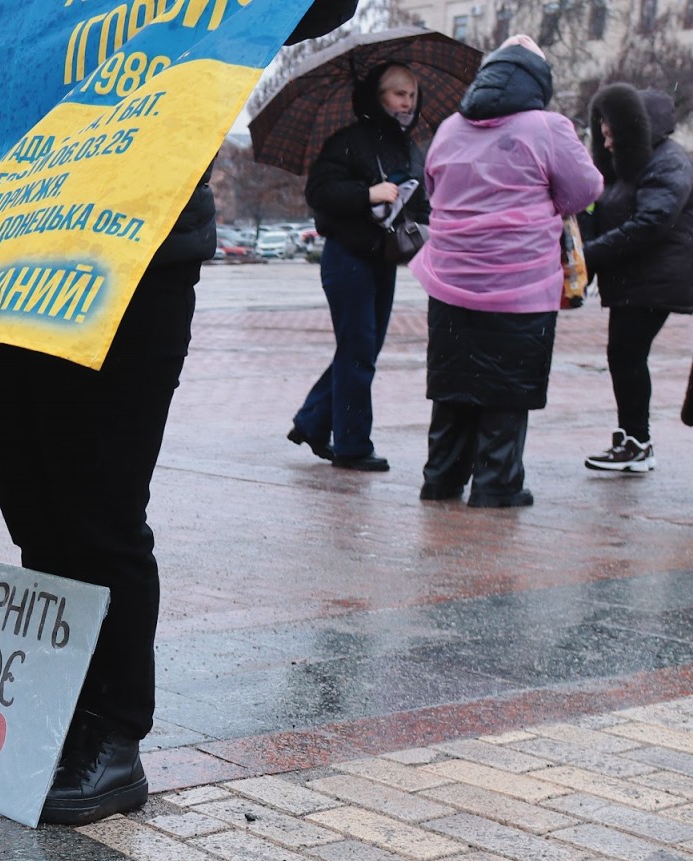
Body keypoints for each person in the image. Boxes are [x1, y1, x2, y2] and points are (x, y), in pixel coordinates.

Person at [0, 0, 361, 824]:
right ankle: (58, 706)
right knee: (32, 504)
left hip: (129, 252)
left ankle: (113, 734)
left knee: (98, 509)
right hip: (0, 246)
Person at [412, 36, 601, 509]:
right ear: (539, 82)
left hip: (450, 281)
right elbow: (585, 188)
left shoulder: (449, 128)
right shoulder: (547, 127)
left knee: (454, 386)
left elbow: (433, 189)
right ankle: (497, 484)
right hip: (520, 284)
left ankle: (441, 479)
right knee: (507, 389)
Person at [289, 61, 429, 472]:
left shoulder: (409, 147)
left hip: (383, 258)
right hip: (346, 257)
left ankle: (313, 422)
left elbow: (420, 200)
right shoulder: (347, 142)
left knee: (362, 349)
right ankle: (352, 445)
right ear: (377, 96)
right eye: (399, 93)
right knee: (358, 351)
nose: (407, 101)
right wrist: (368, 193)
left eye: (412, 94)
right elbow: (320, 192)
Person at [581, 82, 693, 475]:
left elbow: (651, 222)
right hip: (636, 279)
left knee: (626, 355)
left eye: (612, 135)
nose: (607, 144)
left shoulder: (668, 161)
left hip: (656, 279)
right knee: (625, 356)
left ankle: (636, 442)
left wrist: (588, 255)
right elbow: (603, 205)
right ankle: (633, 439)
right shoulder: (630, 163)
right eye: (603, 136)